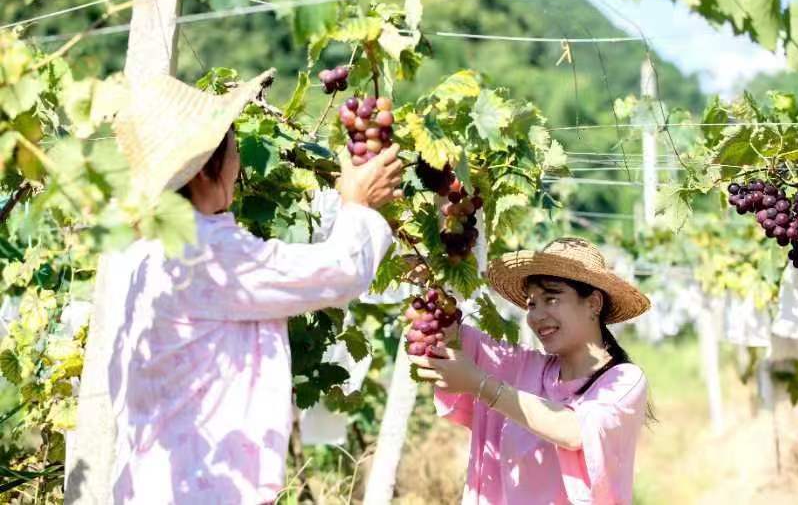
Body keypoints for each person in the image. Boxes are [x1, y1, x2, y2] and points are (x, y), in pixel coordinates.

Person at [106, 71, 402, 504]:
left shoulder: (140, 254)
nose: (239, 160)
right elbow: (338, 272)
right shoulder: (206, 253)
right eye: (232, 148)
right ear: (205, 172)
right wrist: (357, 205)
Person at [410, 237, 653, 504]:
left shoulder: (623, 380)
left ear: (593, 303)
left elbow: (575, 432)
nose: (536, 316)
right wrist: (432, 282)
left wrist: (480, 384)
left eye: (551, 299)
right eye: (531, 304)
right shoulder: (524, 366)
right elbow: (448, 335)